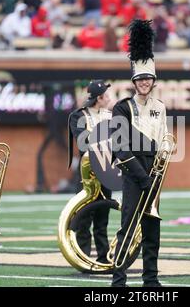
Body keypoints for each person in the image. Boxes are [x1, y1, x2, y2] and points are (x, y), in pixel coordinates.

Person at [111, 20, 168, 287]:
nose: (144, 82)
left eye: (148, 78)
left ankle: (151, 280)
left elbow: (163, 138)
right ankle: (119, 280)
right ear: (134, 81)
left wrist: (167, 148)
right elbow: (121, 149)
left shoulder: (160, 106)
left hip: (153, 174)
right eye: (140, 78)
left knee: (152, 230)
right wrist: (142, 178)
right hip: (134, 174)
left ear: (153, 80)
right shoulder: (122, 108)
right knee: (128, 227)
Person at [67, 79, 113, 264]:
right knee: (84, 217)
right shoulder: (79, 117)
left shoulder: (111, 116)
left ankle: (103, 257)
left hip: (107, 169)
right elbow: (82, 142)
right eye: (106, 95)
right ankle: (83, 257)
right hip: (88, 171)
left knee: (103, 217)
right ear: (99, 98)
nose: (109, 98)